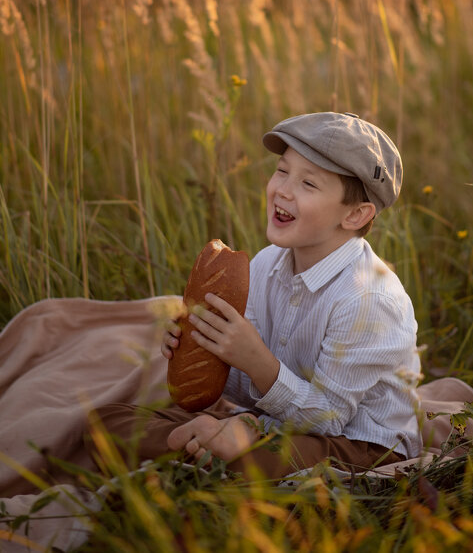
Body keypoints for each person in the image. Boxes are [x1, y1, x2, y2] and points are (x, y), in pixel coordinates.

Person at [87, 112, 422, 480]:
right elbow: (249, 390)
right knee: (106, 422)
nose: (283, 189)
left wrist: (257, 361)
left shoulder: (369, 299)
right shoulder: (267, 264)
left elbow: (328, 419)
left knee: (257, 461)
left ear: (356, 215)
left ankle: (202, 457)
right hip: (271, 425)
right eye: (282, 171)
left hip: (358, 446)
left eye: (308, 184)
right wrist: (210, 348)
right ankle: (203, 450)